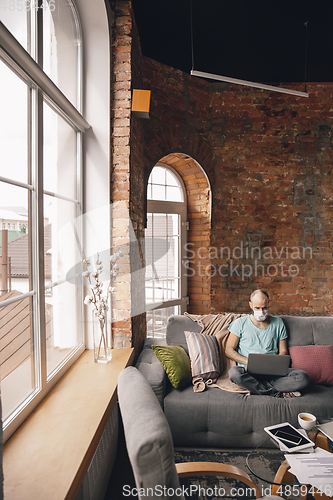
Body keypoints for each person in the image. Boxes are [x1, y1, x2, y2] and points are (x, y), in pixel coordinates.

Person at [226, 290, 310, 397]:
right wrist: (248, 361)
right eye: (257, 308)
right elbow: (228, 350)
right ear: (250, 305)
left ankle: (260, 388)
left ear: (268, 304)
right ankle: (275, 391)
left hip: (273, 372)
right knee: (234, 374)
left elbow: (283, 350)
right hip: (248, 372)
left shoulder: (278, 323)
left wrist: (277, 363)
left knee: (303, 377)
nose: (261, 311)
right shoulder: (240, 323)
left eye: (264, 308)